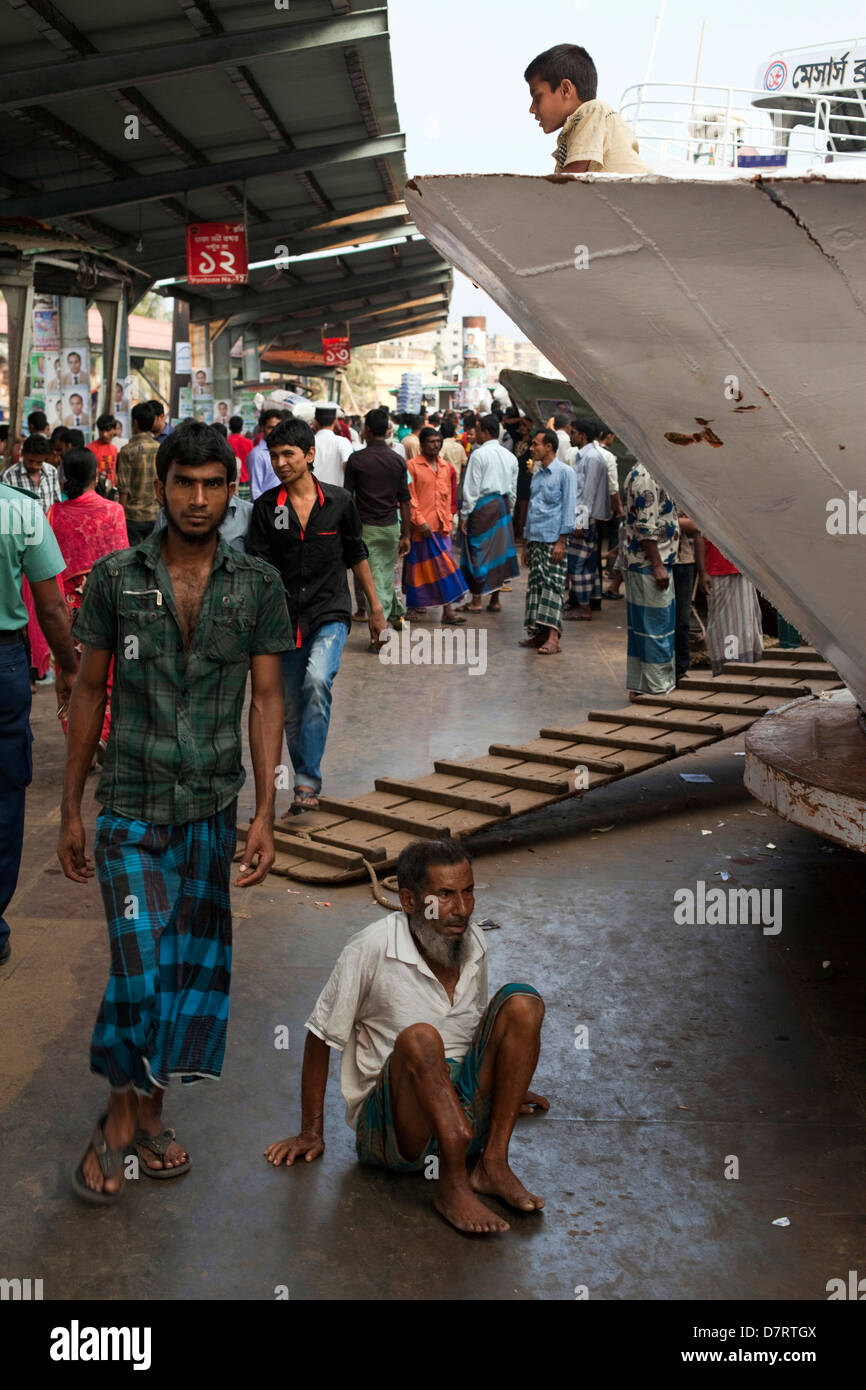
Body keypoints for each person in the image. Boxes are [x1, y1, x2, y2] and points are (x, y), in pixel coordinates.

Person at [59, 421, 292, 1202]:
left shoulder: (256, 584)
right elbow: (88, 689)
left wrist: (265, 812)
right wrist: (68, 807)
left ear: (232, 489)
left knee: (188, 974)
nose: (198, 499)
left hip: (210, 811)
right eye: (184, 483)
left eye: (212, 484)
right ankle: (119, 1125)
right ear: (159, 487)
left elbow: (266, 698)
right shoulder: (114, 580)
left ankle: (150, 1118)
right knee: (140, 961)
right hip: (129, 805)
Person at [264, 838, 548, 1235]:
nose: (462, 909)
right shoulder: (371, 947)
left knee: (524, 1001)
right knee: (419, 1038)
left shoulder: (473, 940)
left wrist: (509, 1081)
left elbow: (473, 1025)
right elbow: (319, 1036)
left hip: (464, 1108)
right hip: (398, 1131)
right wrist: (312, 1130)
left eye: (468, 892)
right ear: (410, 902)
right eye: (445, 895)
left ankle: (492, 1164)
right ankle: (450, 1185)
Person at [248, 418, 385, 814]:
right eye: (274, 456)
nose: (280, 463)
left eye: (288, 454)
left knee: (317, 680)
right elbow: (260, 564)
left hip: (330, 611)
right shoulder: (266, 508)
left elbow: (357, 553)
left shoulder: (340, 503)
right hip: (283, 618)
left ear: (310, 455)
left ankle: (307, 780)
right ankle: (305, 786)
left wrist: (375, 608)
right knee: (291, 707)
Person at [0, 480, 77, 966]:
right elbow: (50, 606)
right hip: (4, 665)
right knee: (5, 792)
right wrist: (70, 668)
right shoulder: (21, 511)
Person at [47, 448, 129, 756]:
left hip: (66, 609)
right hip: (106, 604)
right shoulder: (114, 511)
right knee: (107, 673)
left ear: (64, 476)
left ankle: (78, 741)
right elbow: (122, 561)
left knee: (71, 674)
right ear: (96, 475)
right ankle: (103, 733)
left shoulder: (54, 514)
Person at [525, 43, 649, 175]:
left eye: (538, 97)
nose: (532, 109)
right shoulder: (578, 126)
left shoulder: (593, 111)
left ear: (565, 89)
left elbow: (570, 180)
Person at [343, 408, 411, 633]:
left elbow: (347, 497)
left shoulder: (356, 460)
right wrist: (406, 534)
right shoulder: (397, 460)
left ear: (367, 430)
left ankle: (378, 632)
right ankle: (396, 613)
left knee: (371, 579)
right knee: (384, 573)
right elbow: (405, 500)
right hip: (392, 526)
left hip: (366, 528)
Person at [621, 462, 679, 700]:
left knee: (644, 628)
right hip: (650, 564)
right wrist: (657, 565)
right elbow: (646, 525)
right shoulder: (646, 476)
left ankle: (642, 686)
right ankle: (655, 689)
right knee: (655, 629)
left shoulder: (648, 471)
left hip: (646, 563)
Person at [519, 427, 576, 655]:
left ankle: (553, 638)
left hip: (554, 540)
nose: (532, 448)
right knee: (536, 587)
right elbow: (532, 509)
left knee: (553, 587)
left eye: (535, 444)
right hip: (535, 539)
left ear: (549, 447)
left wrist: (561, 541)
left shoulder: (565, 473)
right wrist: (525, 543)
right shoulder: (537, 473)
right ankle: (540, 634)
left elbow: (569, 509)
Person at [404, 427, 468, 625]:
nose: (435, 445)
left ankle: (448, 610)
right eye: (431, 441)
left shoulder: (446, 468)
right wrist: (419, 520)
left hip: (442, 527)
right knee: (417, 569)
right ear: (422, 445)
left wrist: (450, 519)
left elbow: (451, 496)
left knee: (445, 567)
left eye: (437, 441)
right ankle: (413, 607)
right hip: (420, 527)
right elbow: (409, 497)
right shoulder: (412, 466)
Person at [458, 413, 519, 614]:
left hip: (482, 507)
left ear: (484, 431)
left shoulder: (478, 455)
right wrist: (508, 509)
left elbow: (471, 489)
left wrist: (465, 515)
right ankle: (495, 599)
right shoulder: (510, 456)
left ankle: (476, 600)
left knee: (478, 552)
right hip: (501, 505)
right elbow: (513, 489)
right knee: (499, 552)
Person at [564, 419, 612, 620]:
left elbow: (588, 493)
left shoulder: (591, 458)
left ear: (582, 435)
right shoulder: (583, 456)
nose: (571, 436)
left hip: (586, 518)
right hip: (583, 516)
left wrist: (580, 521)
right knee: (585, 561)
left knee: (580, 563)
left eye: (573, 433)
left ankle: (584, 608)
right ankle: (581, 601)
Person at [699, 540, 763, 676]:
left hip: (743, 566)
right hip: (717, 568)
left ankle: (746, 665)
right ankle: (725, 668)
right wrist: (702, 571)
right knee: (722, 624)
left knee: (746, 622)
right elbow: (698, 534)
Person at [116, 402, 160, 543]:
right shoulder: (159, 448)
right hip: (155, 513)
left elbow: (124, 489)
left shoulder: (127, 450)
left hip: (133, 516)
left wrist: (120, 518)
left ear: (134, 422)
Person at [673, 511, 702, 685]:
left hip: (683, 560)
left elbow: (694, 525)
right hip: (663, 561)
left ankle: (680, 670)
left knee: (681, 620)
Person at [248, 407, 287, 499]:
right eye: (271, 427)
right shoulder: (257, 454)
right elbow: (255, 490)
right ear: (262, 428)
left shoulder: (285, 451)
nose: (275, 431)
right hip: (267, 508)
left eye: (278, 427)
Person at [311, 407, 355, 488]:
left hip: (312, 492)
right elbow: (348, 467)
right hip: (336, 494)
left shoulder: (310, 441)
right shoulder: (343, 442)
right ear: (335, 421)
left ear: (315, 421)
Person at [90, 414, 119, 491]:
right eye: (101, 431)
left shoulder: (114, 449)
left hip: (111, 490)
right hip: (97, 490)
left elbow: (113, 469)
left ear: (114, 430)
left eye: (107, 430)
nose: (104, 434)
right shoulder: (90, 449)